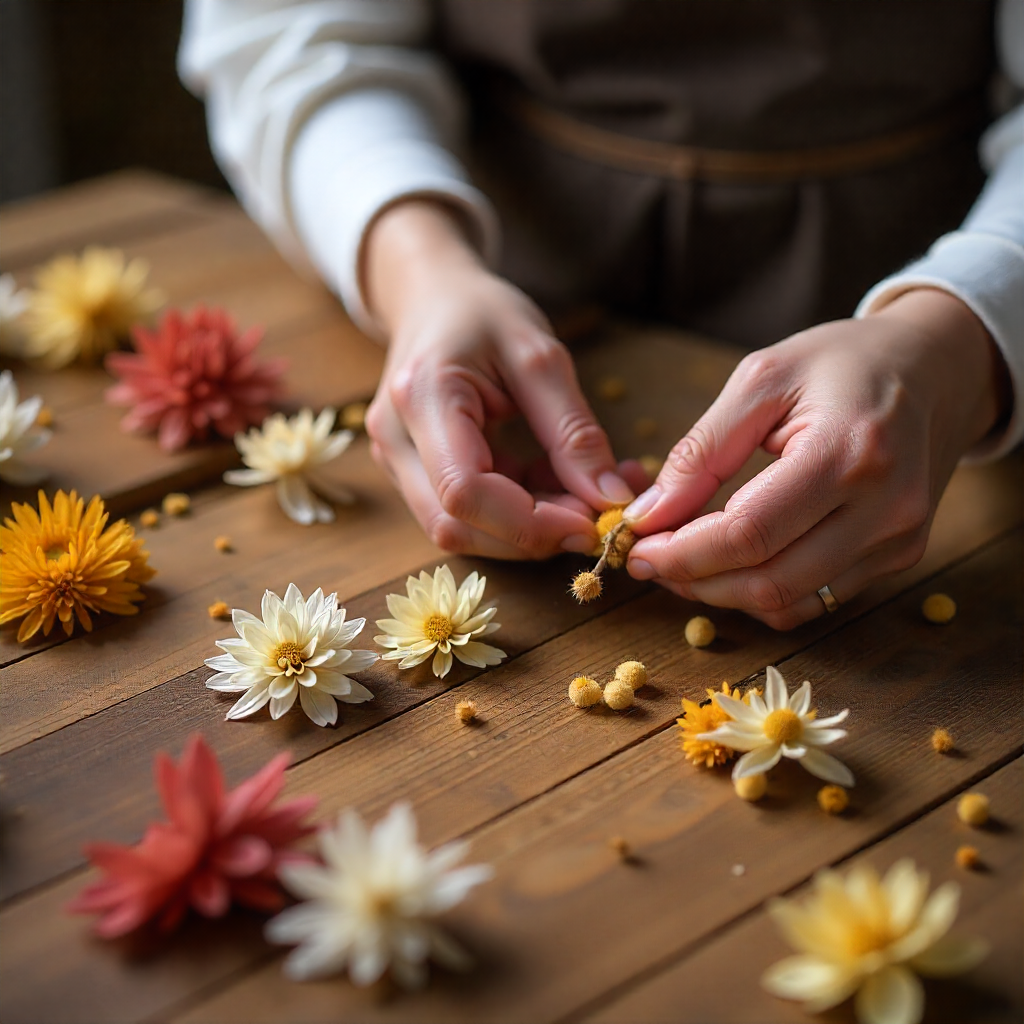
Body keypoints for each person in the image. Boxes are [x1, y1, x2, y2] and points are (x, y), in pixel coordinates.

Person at [180, 0, 1023, 629]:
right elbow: (289, 30)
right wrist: (421, 271)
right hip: (507, 242)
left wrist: (958, 338)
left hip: (921, 266)